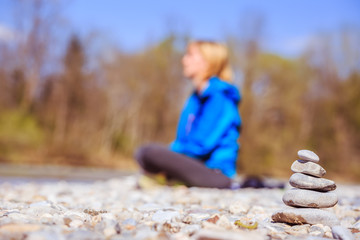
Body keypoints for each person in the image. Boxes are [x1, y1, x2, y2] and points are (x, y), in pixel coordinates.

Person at [135, 40, 241, 189]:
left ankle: (166, 177)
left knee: (149, 152)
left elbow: (201, 145)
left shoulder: (219, 97)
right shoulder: (195, 99)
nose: (184, 60)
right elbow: (185, 140)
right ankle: (168, 177)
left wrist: (169, 153)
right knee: (144, 153)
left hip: (216, 173)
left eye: (190, 55)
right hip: (196, 165)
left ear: (208, 62)